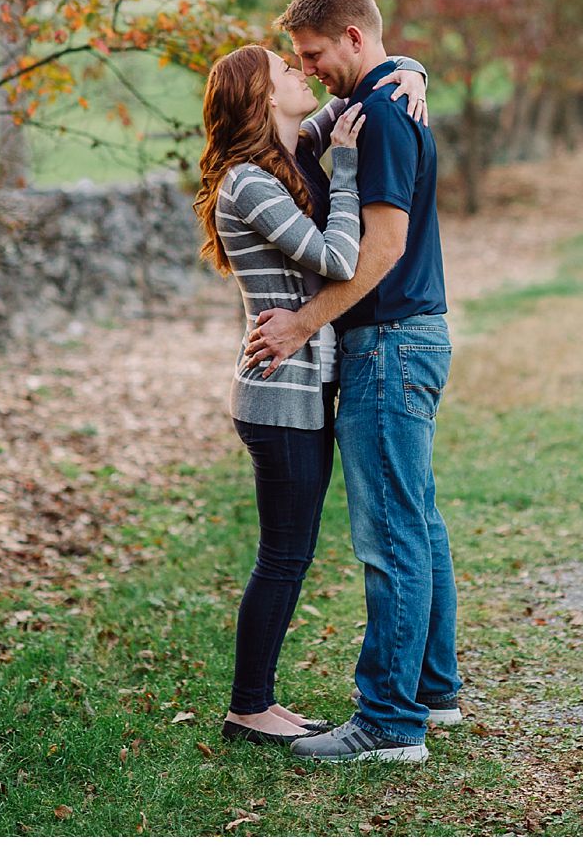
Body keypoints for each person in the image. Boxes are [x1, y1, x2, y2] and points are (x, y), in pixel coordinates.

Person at [244, 0, 460, 765]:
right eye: (298, 60)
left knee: (391, 536)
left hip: (391, 344)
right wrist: (412, 64)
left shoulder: (383, 117)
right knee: (418, 523)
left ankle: (390, 724)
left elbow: (384, 247)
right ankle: (434, 693)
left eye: (314, 54)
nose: (312, 69)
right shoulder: (384, 98)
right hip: (404, 340)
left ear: (352, 37)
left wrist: (303, 322)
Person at [194, 44, 430, 746]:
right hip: (278, 398)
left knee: (290, 553)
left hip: (300, 389)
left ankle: (257, 700)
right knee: (284, 556)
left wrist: (410, 68)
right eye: (285, 70)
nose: (303, 75)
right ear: (263, 99)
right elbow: (335, 259)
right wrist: (351, 172)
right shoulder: (249, 182)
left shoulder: (290, 152)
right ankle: (248, 707)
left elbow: (361, 90)